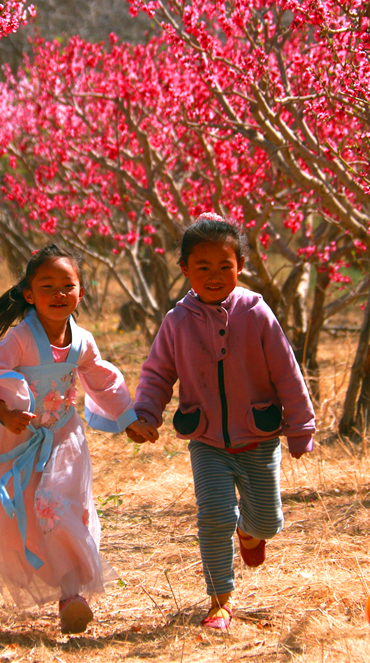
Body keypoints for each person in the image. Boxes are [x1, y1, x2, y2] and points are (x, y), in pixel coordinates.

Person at [0, 244, 157, 635]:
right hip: (19, 440)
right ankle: (61, 584)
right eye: (47, 286)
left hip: (64, 437)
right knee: (28, 516)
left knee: (57, 506)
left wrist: (128, 419)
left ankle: (71, 595)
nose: (59, 294)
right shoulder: (20, 339)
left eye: (68, 286)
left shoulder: (82, 341)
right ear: (29, 294)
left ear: (81, 292)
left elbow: (101, 380)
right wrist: (4, 413)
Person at [130, 214, 315, 631]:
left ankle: (251, 532)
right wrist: (146, 414)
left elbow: (286, 371)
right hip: (207, 441)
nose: (214, 276)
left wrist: (301, 426)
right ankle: (219, 601)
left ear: (241, 266)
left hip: (259, 436)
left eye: (224, 266)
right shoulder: (177, 321)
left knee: (268, 521)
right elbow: (158, 374)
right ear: (184, 269)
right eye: (203, 267)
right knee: (214, 517)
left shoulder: (256, 312)